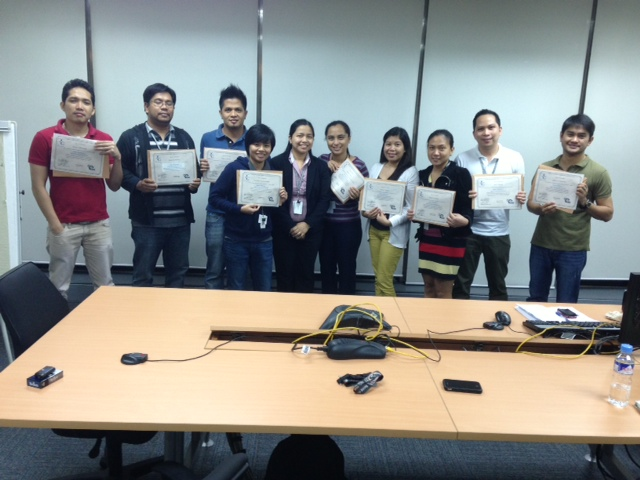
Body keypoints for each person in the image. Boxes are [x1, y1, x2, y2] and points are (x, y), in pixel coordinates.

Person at [28, 78, 123, 299]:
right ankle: (55, 331)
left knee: (105, 286)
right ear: (63, 105)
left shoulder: (103, 140)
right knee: (58, 288)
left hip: (98, 225)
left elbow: (115, 185)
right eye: (73, 100)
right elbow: (38, 186)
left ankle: (105, 330)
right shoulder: (45, 138)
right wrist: (55, 226)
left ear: (93, 109)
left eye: (86, 102)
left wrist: (117, 158)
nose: (80, 106)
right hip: (64, 225)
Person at [117, 83, 201, 288]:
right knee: (143, 275)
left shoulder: (184, 137)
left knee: (178, 275)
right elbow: (119, 172)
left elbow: (193, 173)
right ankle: (142, 319)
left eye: (169, 103)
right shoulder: (131, 137)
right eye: (158, 102)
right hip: (147, 223)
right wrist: (137, 184)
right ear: (146, 107)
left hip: (180, 222)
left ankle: (174, 318)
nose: (164, 107)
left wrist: (194, 183)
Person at [526, 114, 613, 303]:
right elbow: (530, 204)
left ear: (590, 140)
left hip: (573, 249)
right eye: (570, 134)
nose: (574, 140)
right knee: (536, 298)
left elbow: (608, 213)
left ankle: (563, 334)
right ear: (561, 136)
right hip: (541, 244)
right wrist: (541, 209)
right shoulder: (546, 168)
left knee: (567, 302)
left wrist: (585, 202)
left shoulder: (598, 172)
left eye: (581, 136)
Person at [452, 109, 526, 301]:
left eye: (491, 127)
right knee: (461, 284)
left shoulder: (514, 157)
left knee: (498, 285)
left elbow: (518, 192)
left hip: (499, 232)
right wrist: (467, 197)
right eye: (481, 128)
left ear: (500, 130)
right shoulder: (462, 158)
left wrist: (520, 197)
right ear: (474, 133)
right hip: (469, 232)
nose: (486, 133)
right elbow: (456, 200)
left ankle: (499, 324)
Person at [208, 124, 287, 291]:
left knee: (264, 288)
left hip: (264, 240)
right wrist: (239, 208)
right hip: (236, 240)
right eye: (256, 144)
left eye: (266, 145)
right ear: (248, 145)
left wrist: (280, 200)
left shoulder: (273, 171)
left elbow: (272, 206)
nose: (261, 149)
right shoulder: (234, 168)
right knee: (236, 288)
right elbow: (215, 198)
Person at [409, 130, 473, 298]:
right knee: (429, 287)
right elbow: (420, 206)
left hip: (450, 241)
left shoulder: (461, 174)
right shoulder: (422, 174)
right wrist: (414, 215)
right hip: (428, 238)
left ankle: (442, 324)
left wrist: (465, 220)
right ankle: (427, 324)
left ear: (451, 149)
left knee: (443, 290)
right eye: (431, 148)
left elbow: (468, 208)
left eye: (441, 148)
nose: (435, 153)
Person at [271, 119, 331, 293]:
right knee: (284, 274)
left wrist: (307, 224)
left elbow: (324, 199)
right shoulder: (276, 163)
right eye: (300, 135)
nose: (304, 140)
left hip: (311, 231)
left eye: (309, 136)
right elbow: (274, 200)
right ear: (290, 138)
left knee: (306, 275)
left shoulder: (321, 167)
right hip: (283, 230)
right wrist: (291, 226)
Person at [200, 84, 248, 289]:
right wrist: (201, 168)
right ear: (221, 112)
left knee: (241, 269)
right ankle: (213, 310)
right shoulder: (208, 138)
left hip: (245, 212)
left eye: (238, 110)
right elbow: (204, 174)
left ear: (246, 113)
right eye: (228, 110)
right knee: (214, 267)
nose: (233, 114)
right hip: (217, 212)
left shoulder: (254, 139)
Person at [363, 127, 419, 297]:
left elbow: (410, 206)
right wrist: (366, 212)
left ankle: (393, 320)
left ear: (405, 148)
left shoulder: (410, 172)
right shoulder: (376, 167)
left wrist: (390, 222)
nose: (392, 148)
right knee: (378, 278)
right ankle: (379, 316)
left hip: (391, 232)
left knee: (384, 280)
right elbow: (368, 198)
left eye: (397, 144)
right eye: (388, 144)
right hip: (374, 230)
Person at [319, 120, 369, 295]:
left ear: (349, 139)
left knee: (347, 270)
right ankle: (327, 310)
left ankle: (347, 312)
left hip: (349, 226)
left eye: (341, 137)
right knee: (326, 269)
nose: (336, 142)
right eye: (331, 138)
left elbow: (368, 200)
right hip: (325, 225)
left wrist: (358, 196)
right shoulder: (322, 161)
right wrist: (324, 169)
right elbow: (314, 192)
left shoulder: (360, 165)